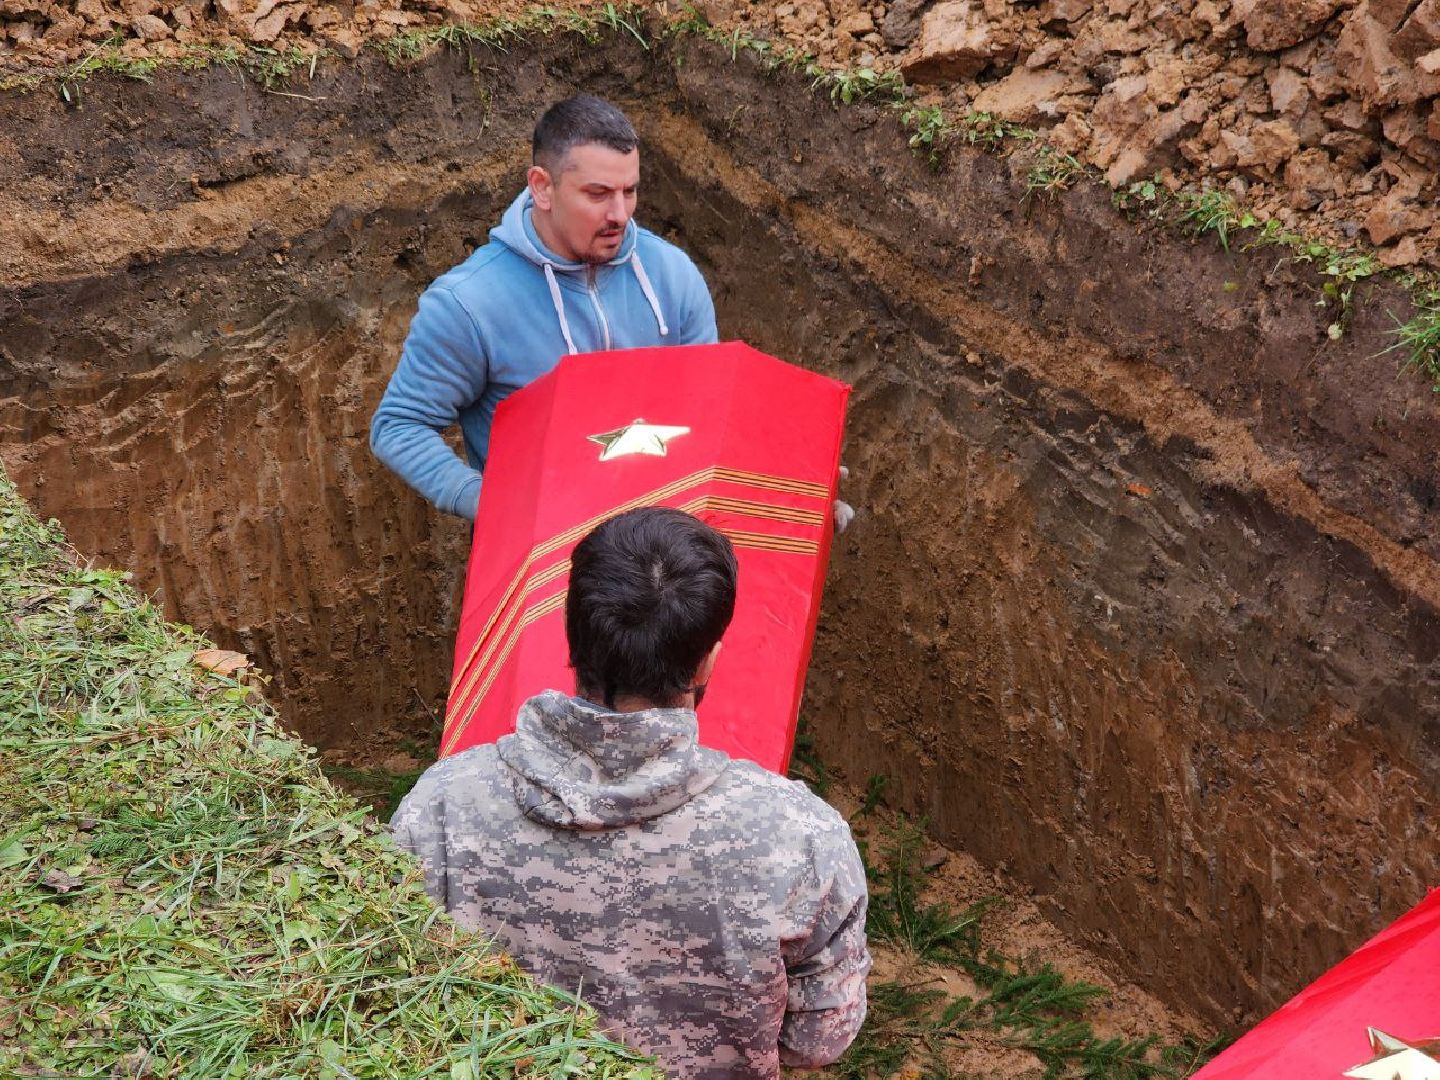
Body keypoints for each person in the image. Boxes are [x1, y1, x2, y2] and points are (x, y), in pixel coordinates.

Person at [391, 507, 870, 1077]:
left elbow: (401, 993)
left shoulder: (443, 805)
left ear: (572, 640)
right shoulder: (802, 836)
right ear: (709, 658)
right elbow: (818, 1040)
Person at [370, 95, 719, 520]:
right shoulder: (470, 305)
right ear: (542, 187)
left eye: (629, 191)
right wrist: (489, 503)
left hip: (662, 539)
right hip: (542, 549)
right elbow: (399, 426)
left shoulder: (672, 274)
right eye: (598, 194)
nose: (620, 213)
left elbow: (707, 403)